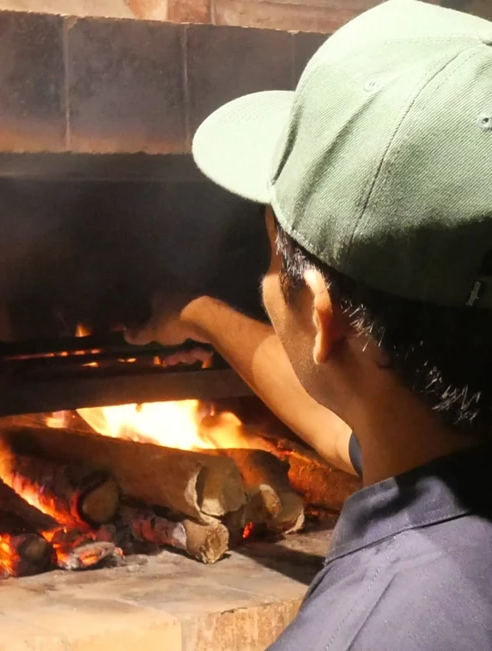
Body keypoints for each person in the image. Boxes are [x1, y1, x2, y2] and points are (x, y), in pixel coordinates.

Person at [125, 0, 492, 648]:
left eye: (271, 254)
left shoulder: (363, 632)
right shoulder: (438, 447)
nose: (267, 276)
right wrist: (199, 317)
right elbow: (334, 418)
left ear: (326, 318)